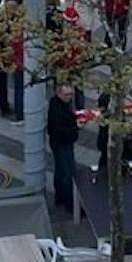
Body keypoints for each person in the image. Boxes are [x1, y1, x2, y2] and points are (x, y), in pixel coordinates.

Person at [47, 81, 80, 211]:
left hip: (59, 142)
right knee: (68, 172)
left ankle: (60, 197)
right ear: (58, 93)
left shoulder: (56, 104)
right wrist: (76, 126)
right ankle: (70, 203)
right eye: (66, 95)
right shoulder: (59, 109)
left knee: (60, 171)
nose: (69, 97)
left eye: (70, 94)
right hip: (62, 143)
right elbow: (61, 128)